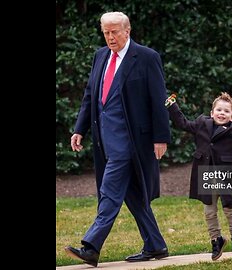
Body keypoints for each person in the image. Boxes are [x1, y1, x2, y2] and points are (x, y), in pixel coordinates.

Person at [65, 11, 171, 267]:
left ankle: (91, 246)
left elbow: (159, 99)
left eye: (114, 32)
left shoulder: (146, 57)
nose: (110, 37)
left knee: (110, 191)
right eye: (106, 32)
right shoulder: (100, 56)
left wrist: (161, 137)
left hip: (132, 141)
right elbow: (91, 95)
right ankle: (156, 245)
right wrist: (79, 129)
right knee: (134, 194)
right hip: (106, 140)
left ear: (128, 30)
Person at [165, 92, 232, 261]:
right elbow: (183, 123)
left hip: (224, 174)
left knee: (229, 207)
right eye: (219, 110)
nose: (222, 113)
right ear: (212, 112)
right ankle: (216, 240)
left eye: (226, 111)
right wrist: (172, 106)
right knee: (209, 211)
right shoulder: (201, 124)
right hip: (205, 173)